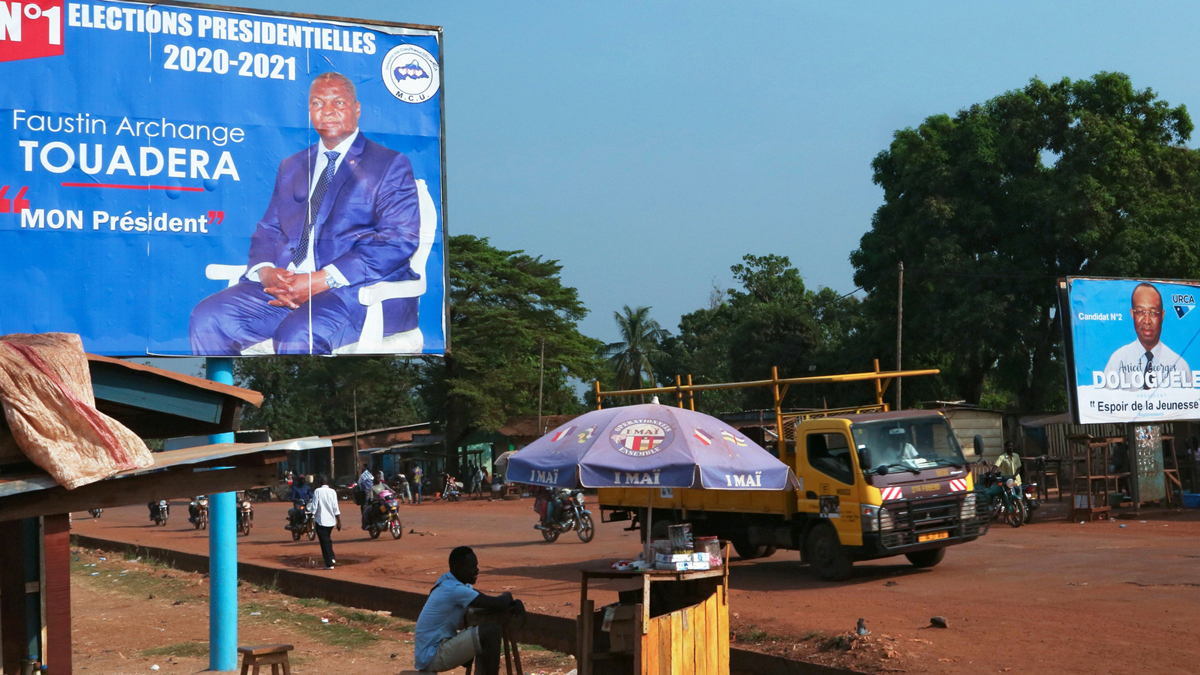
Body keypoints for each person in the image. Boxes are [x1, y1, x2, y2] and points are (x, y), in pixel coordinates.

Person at [189, 71, 423, 355]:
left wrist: (320, 279)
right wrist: (266, 273)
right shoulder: (293, 166)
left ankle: (295, 402)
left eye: (338, 103)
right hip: (286, 289)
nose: (328, 111)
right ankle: (225, 399)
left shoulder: (389, 165)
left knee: (297, 335)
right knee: (207, 318)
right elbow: (268, 229)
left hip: (354, 293)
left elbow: (398, 240)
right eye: (317, 104)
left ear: (357, 109)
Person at [414, 546, 525, 675]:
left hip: (431, 652)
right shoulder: (454, 590)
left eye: (476, 566)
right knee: (491, 631)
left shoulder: (446, 580)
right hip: (432, 656)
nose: (476, 570)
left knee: (482, 632)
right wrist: (512, 600)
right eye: (471, 567)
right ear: (458, 568)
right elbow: (494, 603)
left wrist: (506, 601)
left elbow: (485, 601)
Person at [1102, 283, 1192, 390]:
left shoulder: (1179, 366)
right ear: (1132, 314)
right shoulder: (1118, 361)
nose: (1147, 320)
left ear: (1162, 316)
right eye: (1140, 312)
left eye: (1153, 313)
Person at [311, 474, 341, 569]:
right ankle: (331, 557)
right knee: (327, 539)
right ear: (327, 482)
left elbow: (314, 506)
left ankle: (329, 564)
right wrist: (339, 521)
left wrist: (311, 515)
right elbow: (336, 507)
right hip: (331, 521)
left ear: (320, 482)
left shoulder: (317, 491)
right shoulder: (333, 492)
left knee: (324, 542)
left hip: (321, 520)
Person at [357, 462, 374, 529]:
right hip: (375, 492)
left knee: (365, 506)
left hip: (367, 493)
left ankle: (365, 523)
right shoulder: (370, 475)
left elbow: (359, 485)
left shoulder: (362, 476)